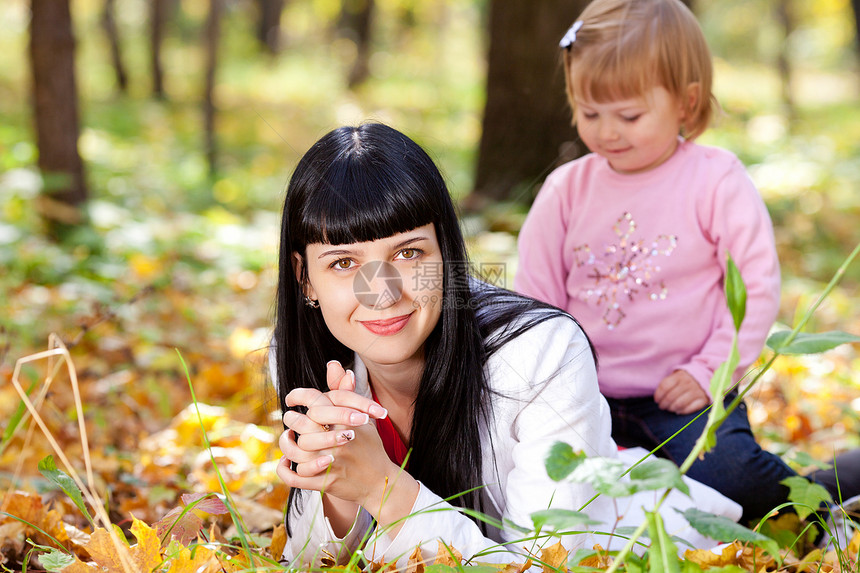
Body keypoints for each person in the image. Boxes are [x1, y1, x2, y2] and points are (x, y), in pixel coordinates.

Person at [271, 123, 740, 569]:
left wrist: (382, 487)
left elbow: (543, 565)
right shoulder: (308, 353)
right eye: (343, 263)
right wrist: (337, 477)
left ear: (446, 256)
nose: (384, 292)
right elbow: (311, 562)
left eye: (408, 253)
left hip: (643, 540)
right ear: (304, 277)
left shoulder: (542, 353)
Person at [515, 0, 856, 524]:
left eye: (628, 115)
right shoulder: (566, 190)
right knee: (556, 490)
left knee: (731, 478)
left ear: (685, 102)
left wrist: (710, 372)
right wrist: (552, 387)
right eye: (589, 112)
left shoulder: (715, 181)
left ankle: (821, 501)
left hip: (684, 394)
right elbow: (536, 301)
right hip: (585, 394)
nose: (607, 131)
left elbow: (756, 288)